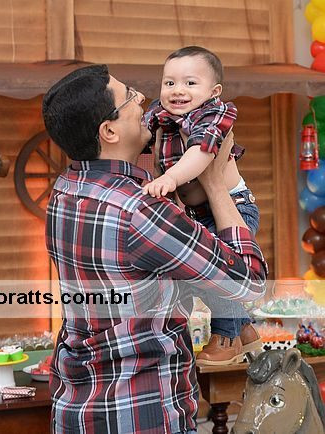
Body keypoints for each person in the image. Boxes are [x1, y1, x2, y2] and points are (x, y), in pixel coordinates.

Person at [42, 64, 266, 434]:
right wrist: (215, 183)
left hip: (77, 409)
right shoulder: (139, 211)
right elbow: (248, 282)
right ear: (109, 130)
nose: (142, 98)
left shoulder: (65, 191)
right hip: (141, 413)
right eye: (130, 96)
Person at [142, 46, 261, 365]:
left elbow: (202, 152)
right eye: (169, 83)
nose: (178, 90)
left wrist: (170, 177)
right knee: (196, 272)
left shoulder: (214, 115)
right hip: (198, 212)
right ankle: (245, 329)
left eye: (190, 83)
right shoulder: (160, 113)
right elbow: (141, 138)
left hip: (234, 207)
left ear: (214, 92)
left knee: (222, 274)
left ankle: (226, 336)